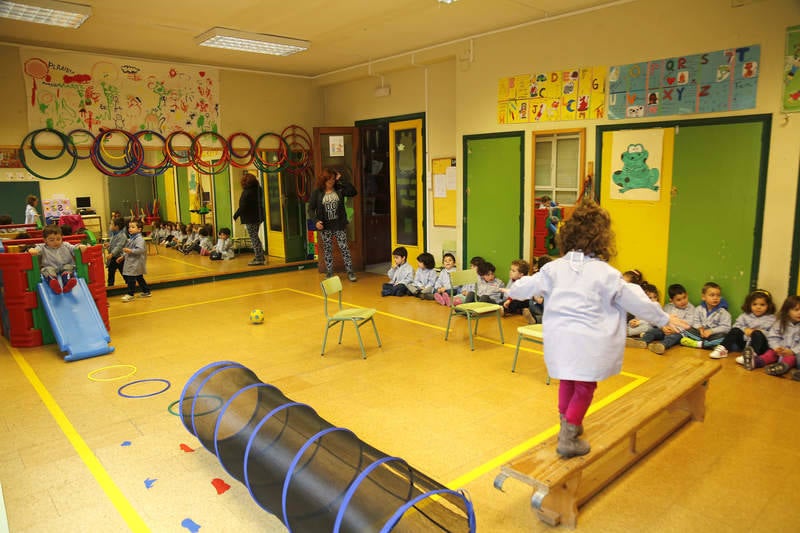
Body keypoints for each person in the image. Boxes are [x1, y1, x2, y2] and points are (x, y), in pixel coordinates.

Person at [508, 200, 688, 458]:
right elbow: (634, 299)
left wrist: (512, 289)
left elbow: (524, 286)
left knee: (568, 379)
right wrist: (662, 318)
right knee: (585, 387)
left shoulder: (553, 268)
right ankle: (568, 436)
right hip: (589, 342)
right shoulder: (606, 273)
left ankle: (568, 424)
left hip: (560, 339)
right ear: (602, 239)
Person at [307, 167, 358, 281]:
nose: (331, 183)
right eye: (329, 181)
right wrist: (316, 221)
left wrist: (341, 180)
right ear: (323, 180)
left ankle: (350, 272)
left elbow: (353, 191)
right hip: (325, 226)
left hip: (339, 224)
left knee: (344, 248)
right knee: (328, 249)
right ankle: (329, 272)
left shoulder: (339, 188)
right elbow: (310, 209)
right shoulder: (317, 193)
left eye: (333, 180)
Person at [709, 289, 776, 361]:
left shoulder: (772, 319)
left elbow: (774, 335)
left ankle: (750, 356)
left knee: (757, 333)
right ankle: (723, 348)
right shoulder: (745, 315)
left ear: (768, 306)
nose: (758, 307)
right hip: (744, 343)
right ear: (749, 305)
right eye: (754, 304)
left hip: (760, 347)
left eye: (762, 305)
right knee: (735, 330)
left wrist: (761, 332)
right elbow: (736, 326)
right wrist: (745, 329)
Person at [28, 225, 87, 294]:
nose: (55, 242)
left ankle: (67, 282)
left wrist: (79, 246)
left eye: (58, 239)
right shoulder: (42, 247)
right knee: (47, 270)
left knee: (68, 267)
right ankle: (53, 282)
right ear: (45, 240)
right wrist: (33, 250)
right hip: (50, 267)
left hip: (65, 266)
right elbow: (35, 250)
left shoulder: (65, 245)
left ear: (62, 238)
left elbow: (73, 248)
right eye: (51, 240)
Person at [750, 295, 800, 376]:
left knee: (791, 359)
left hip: (792, 353)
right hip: (778, 350)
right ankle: (755, 362)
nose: (799, 312)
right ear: (787, 311)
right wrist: (776, 348)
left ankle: (780, 368)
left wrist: (792, 351)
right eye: (796, 310)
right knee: (770, 354)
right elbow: (773, 337)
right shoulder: (780, 323)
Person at [642, 283, 695, 355]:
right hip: (665, 330)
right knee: (652, 331)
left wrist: (674, 330)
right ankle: (643, 341)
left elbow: (688, 324)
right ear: (671, 300)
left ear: (687, 295)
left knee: (672, 338)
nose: (683, 301)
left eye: (684, 297)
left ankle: (661, 345)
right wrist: (663, 327)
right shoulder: (668, 307)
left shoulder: (690, 309)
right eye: (678, 300)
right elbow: (661, 318)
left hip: (679, 332)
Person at [679, 282, 732, 349]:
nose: (715, 298)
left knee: (724, 337)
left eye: (718, 295)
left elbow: (726, 327)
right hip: (701, 335)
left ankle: (699, 344)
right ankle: (709, 344)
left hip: (714, 335)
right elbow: (696, 321)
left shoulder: (723, 312)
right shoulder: (699, 309)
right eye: (712, 295)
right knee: (685, 329)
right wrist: (700, 328)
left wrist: (711, 331)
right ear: (703, 297)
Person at [233, 172, 266, 266]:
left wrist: (236, 215)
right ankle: (260, 256)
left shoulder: (246, 192)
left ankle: (259, 258)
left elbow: (243, 206)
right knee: (255, 236)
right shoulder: (259, 189)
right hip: (258, 216)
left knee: (254, 238)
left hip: (250, 218)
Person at [118, 219, 151, 302]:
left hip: (136, 262)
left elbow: (140, 250)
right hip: (133, 262)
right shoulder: (132, 238)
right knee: (139, 277)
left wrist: (130, 251)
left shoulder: (139, 239)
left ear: (139, 229)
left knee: (131, 278)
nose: (130, 229)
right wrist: (123, 256)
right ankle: (146, 291)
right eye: (129, 227)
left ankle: (130, 294)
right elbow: (129, 250)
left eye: (133, 227)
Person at [625, 283, 660, 348]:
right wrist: (632, 322)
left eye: (655, 297)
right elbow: (636, 318)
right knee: (627, 324)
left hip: (649, 326)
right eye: (650, 298)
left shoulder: (656, 307)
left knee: (647, 327)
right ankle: (628, 333)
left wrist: (640, 322)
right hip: (638, 326)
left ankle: (628, 334)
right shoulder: (640, 307)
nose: (653, 300)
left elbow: (654, 322)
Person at [523, 255, 552, 324]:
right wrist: (535, 297)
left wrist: (543, 298)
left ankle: (535, 319)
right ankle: (537, 318)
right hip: (537, 304)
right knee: (531, 301)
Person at [105, 217, 127, 287]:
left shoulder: (122, 236)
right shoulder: (113, 234)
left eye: (111, 224)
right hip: (114, 258)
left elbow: (119, 246)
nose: (110, 226)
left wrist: (112, 253)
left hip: (120, 258)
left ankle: (130, 284)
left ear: (116, 227)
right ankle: (110, 285)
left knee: (124, 272)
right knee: (111, 272)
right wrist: (109, 245)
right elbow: (114, 244)